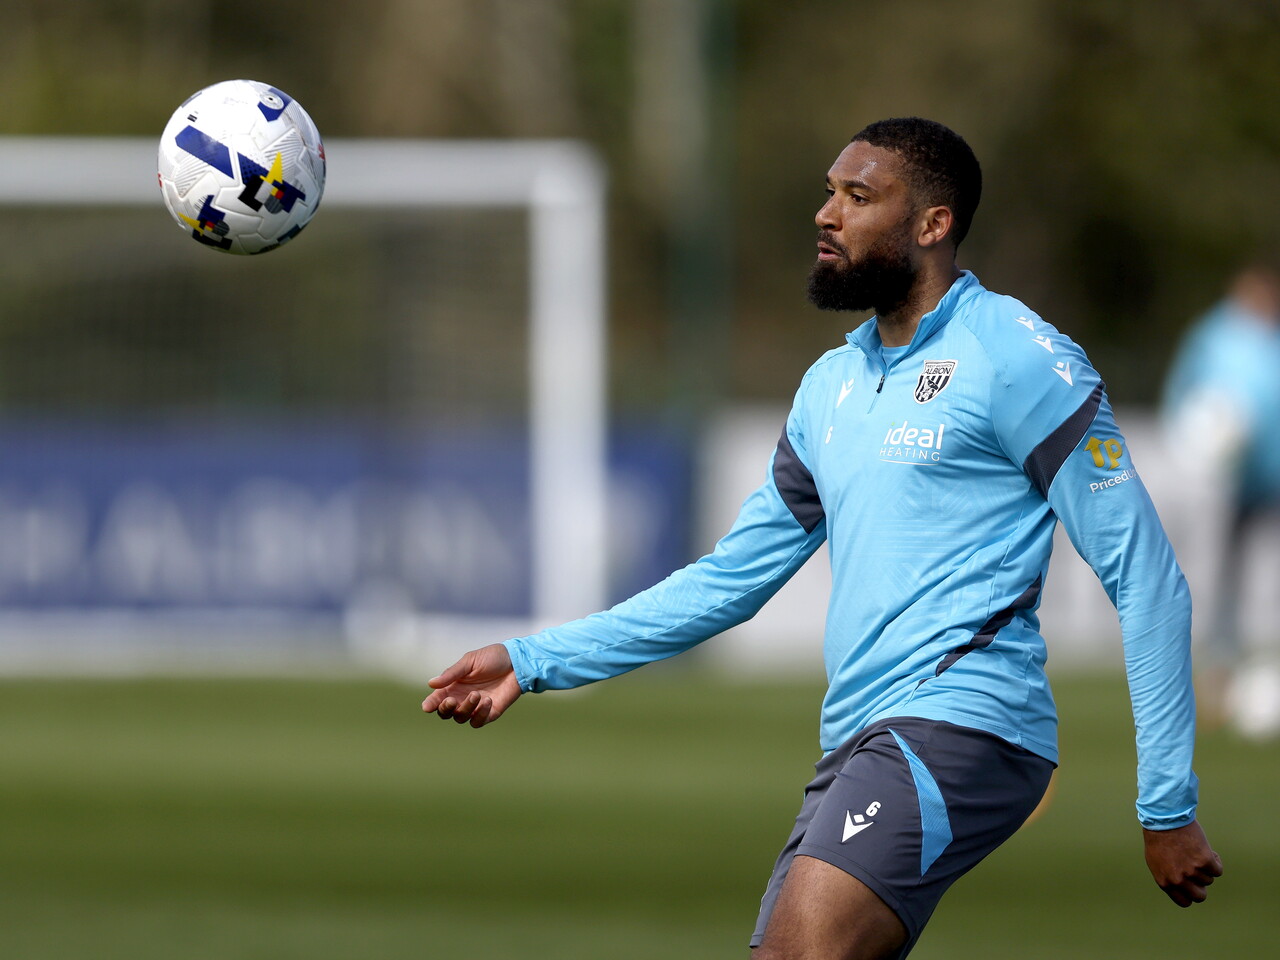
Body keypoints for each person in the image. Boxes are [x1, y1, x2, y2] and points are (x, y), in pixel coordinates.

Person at [423, 118, 1223, 959]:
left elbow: (1148, 578)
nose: (825, 213)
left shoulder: (1019, 358)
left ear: (932, 225)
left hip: (964, 723)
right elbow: (730, 579)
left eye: (858, 195)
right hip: (859, 739)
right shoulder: (831, 386)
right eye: (829, 191)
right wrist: (533, 658)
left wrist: (1165, 803)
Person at [1162, 262, 1280, 737]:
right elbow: (1185, 393)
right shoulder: (1213, 335)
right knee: (1228, 578)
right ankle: (1219, 673)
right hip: (1240, 481)